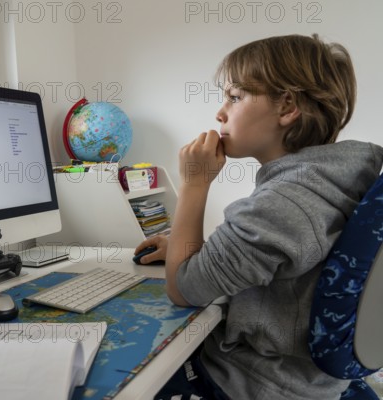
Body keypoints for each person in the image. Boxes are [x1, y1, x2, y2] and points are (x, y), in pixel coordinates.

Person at [135, 34, 383, 400]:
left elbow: (182, 288)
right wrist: (181, 247)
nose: (220, 112)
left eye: (234, 97)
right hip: (309, 378)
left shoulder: (283, 205)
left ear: (287, 107)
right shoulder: (337, 180)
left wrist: (194, 184)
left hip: (257, 382)